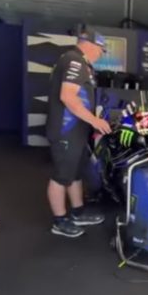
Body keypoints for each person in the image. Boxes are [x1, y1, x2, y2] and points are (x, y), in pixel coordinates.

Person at [45, 29, 111, 238]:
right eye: (101, 50)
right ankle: (60, 221)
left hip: (77, 130)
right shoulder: (74, 61)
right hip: (66, 129)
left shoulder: (80, 62)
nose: (100, 54)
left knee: (75, 172)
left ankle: (78, 211)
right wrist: (95, 121)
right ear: (90, 45)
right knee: (62, 175)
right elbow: (68, 96)